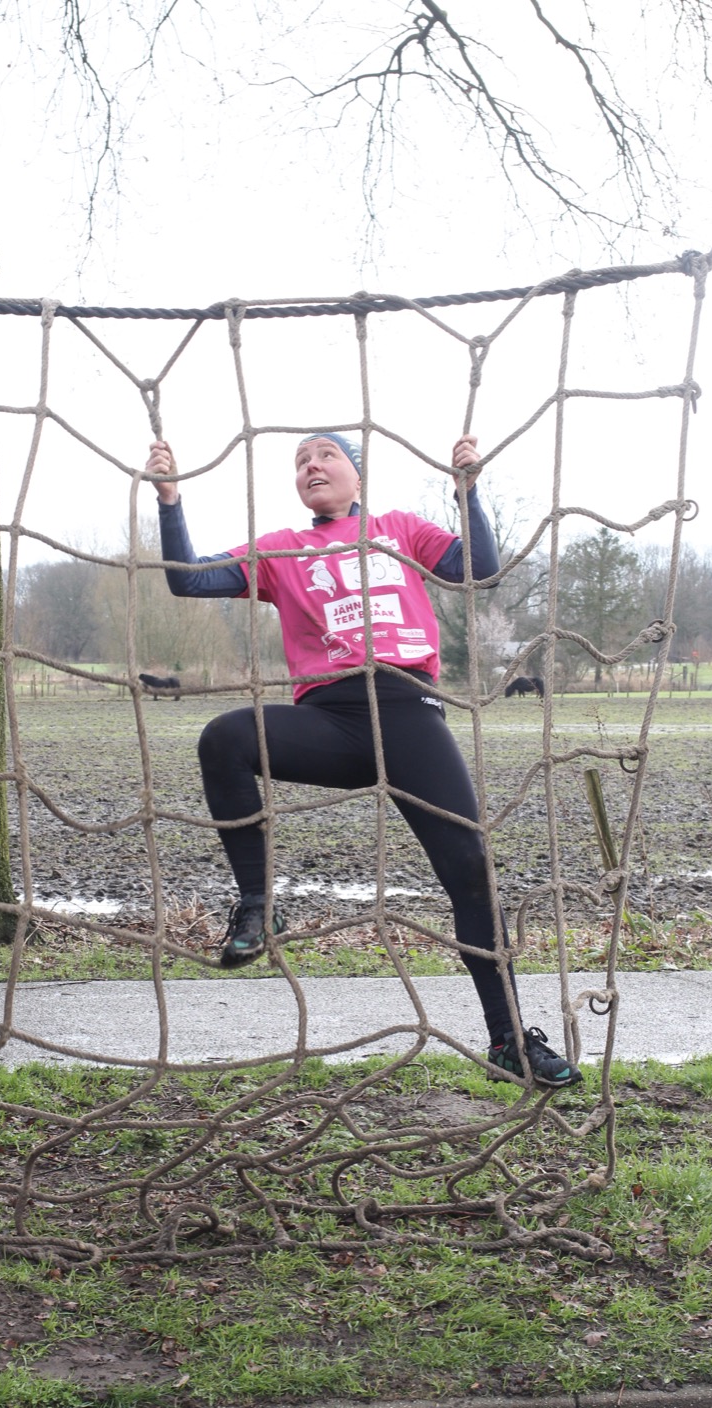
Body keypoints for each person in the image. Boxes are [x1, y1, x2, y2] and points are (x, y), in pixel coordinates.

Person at [145, 431, 582, 1091]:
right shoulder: (283, 551)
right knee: (223, 738)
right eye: (300, 461)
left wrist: (468, 490)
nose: (311, 465)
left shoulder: (398, 530)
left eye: (325, 455)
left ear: (357, 474)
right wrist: (169, 499)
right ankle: (260, 905)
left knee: (472, 872)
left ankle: (510, 1042)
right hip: (332, 721)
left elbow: (479, 568)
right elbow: (188, 580)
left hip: (409, 716)